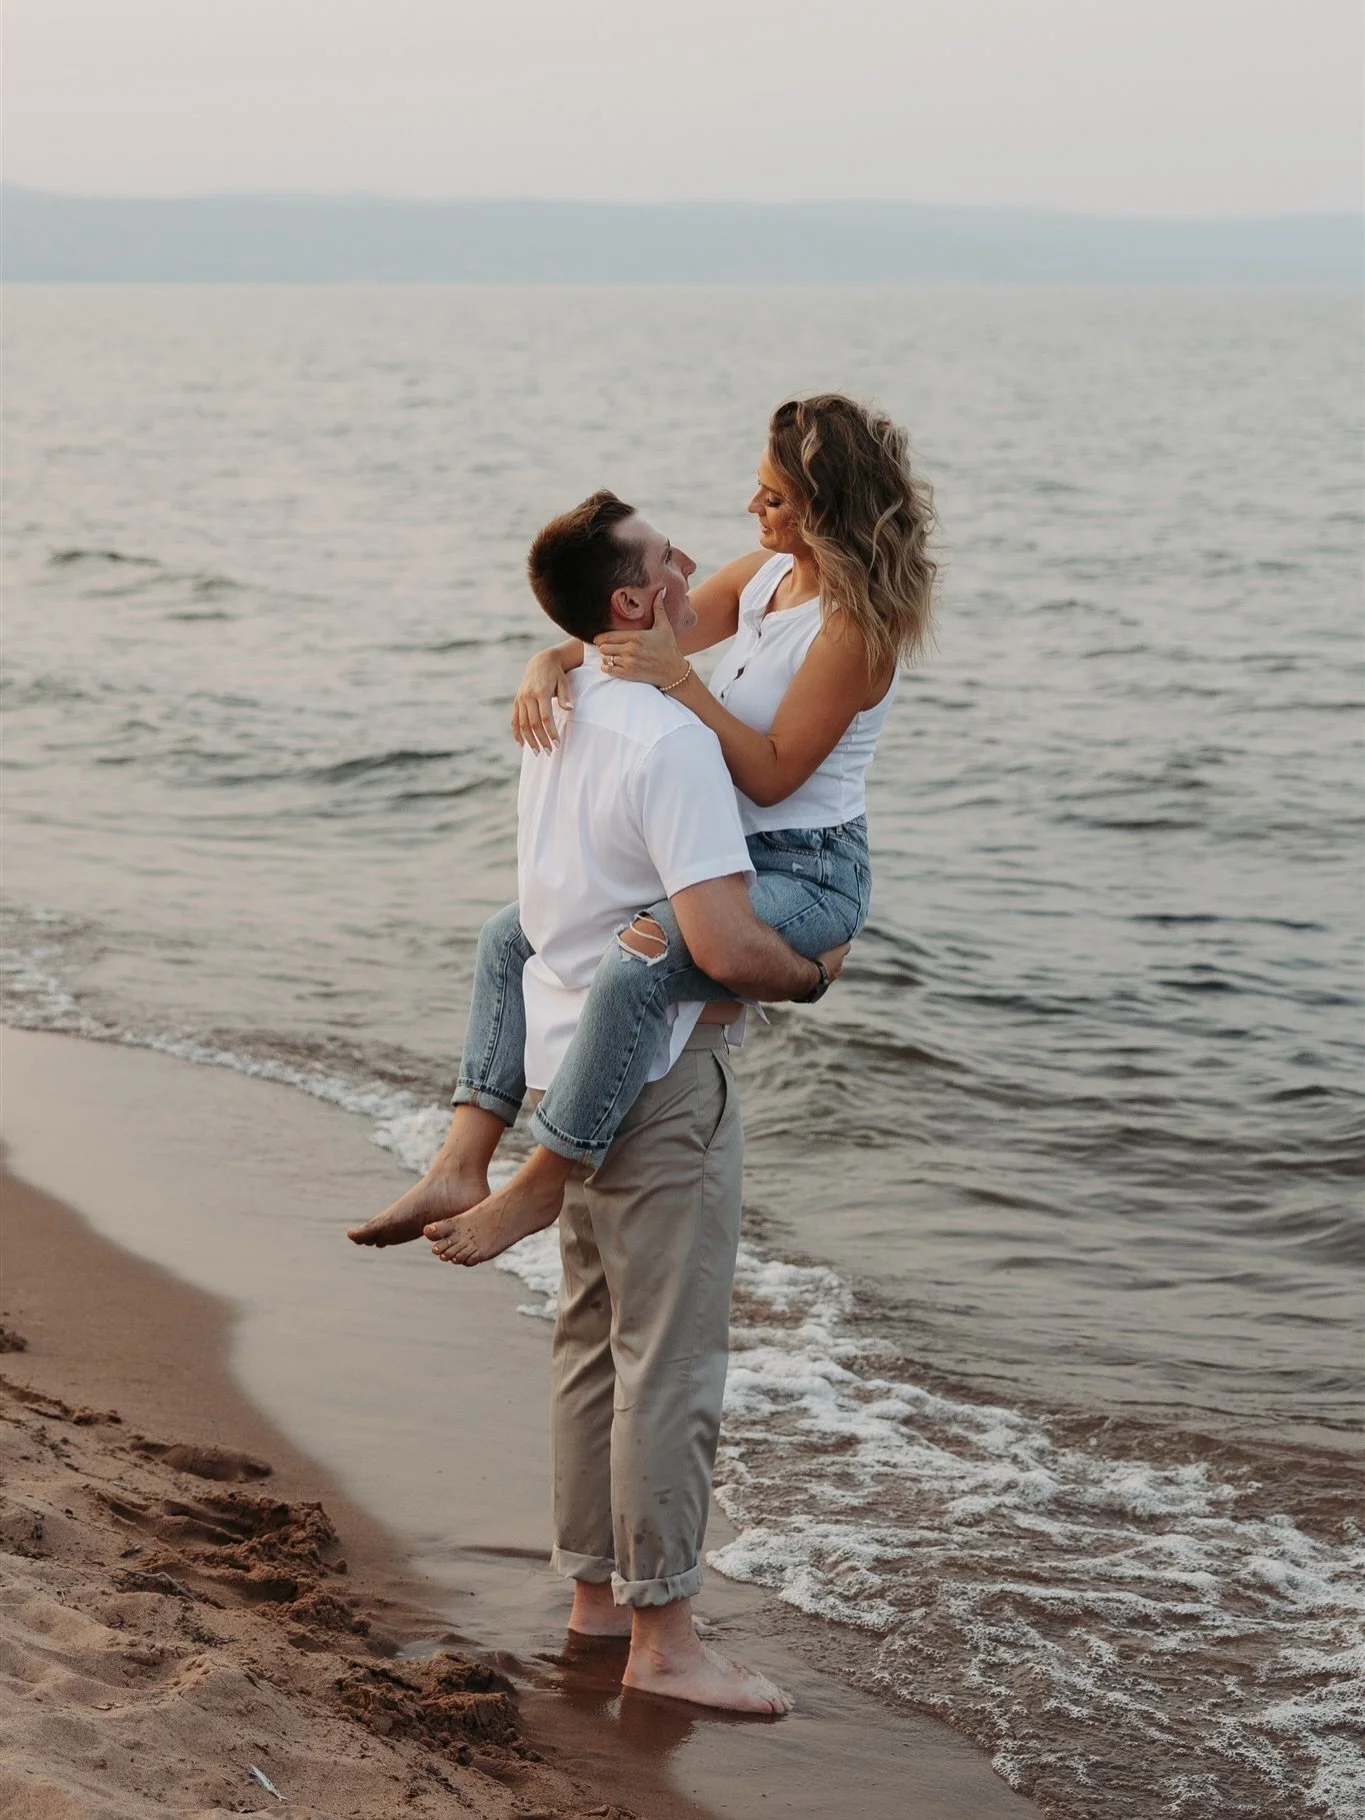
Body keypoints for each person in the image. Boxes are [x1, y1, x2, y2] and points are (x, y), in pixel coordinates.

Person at [359, 490, 851, 1711]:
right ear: (633, 603)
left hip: (557, 1057)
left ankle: (593, 1600)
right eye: (667, 555)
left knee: (590, 1344)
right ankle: (667, 1642)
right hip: (656, 1078)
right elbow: (723, 943)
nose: (695, 560)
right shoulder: (673, 738)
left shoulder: (563, 697)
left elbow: (540, 916)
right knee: (669, 1363)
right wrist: (811, 972)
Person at [350, 393, 935, 1266]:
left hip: (805, 870)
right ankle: (459, 1163)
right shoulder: (765, 577)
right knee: (511, 934)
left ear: (824, 507)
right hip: (714, 853)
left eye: (773, 498)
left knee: (644, 951)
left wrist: (681, 685)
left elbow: (775, 777)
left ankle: (543, 1179)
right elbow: (635, 628)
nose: (753, 509)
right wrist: (550, 657)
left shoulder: (855, 628)